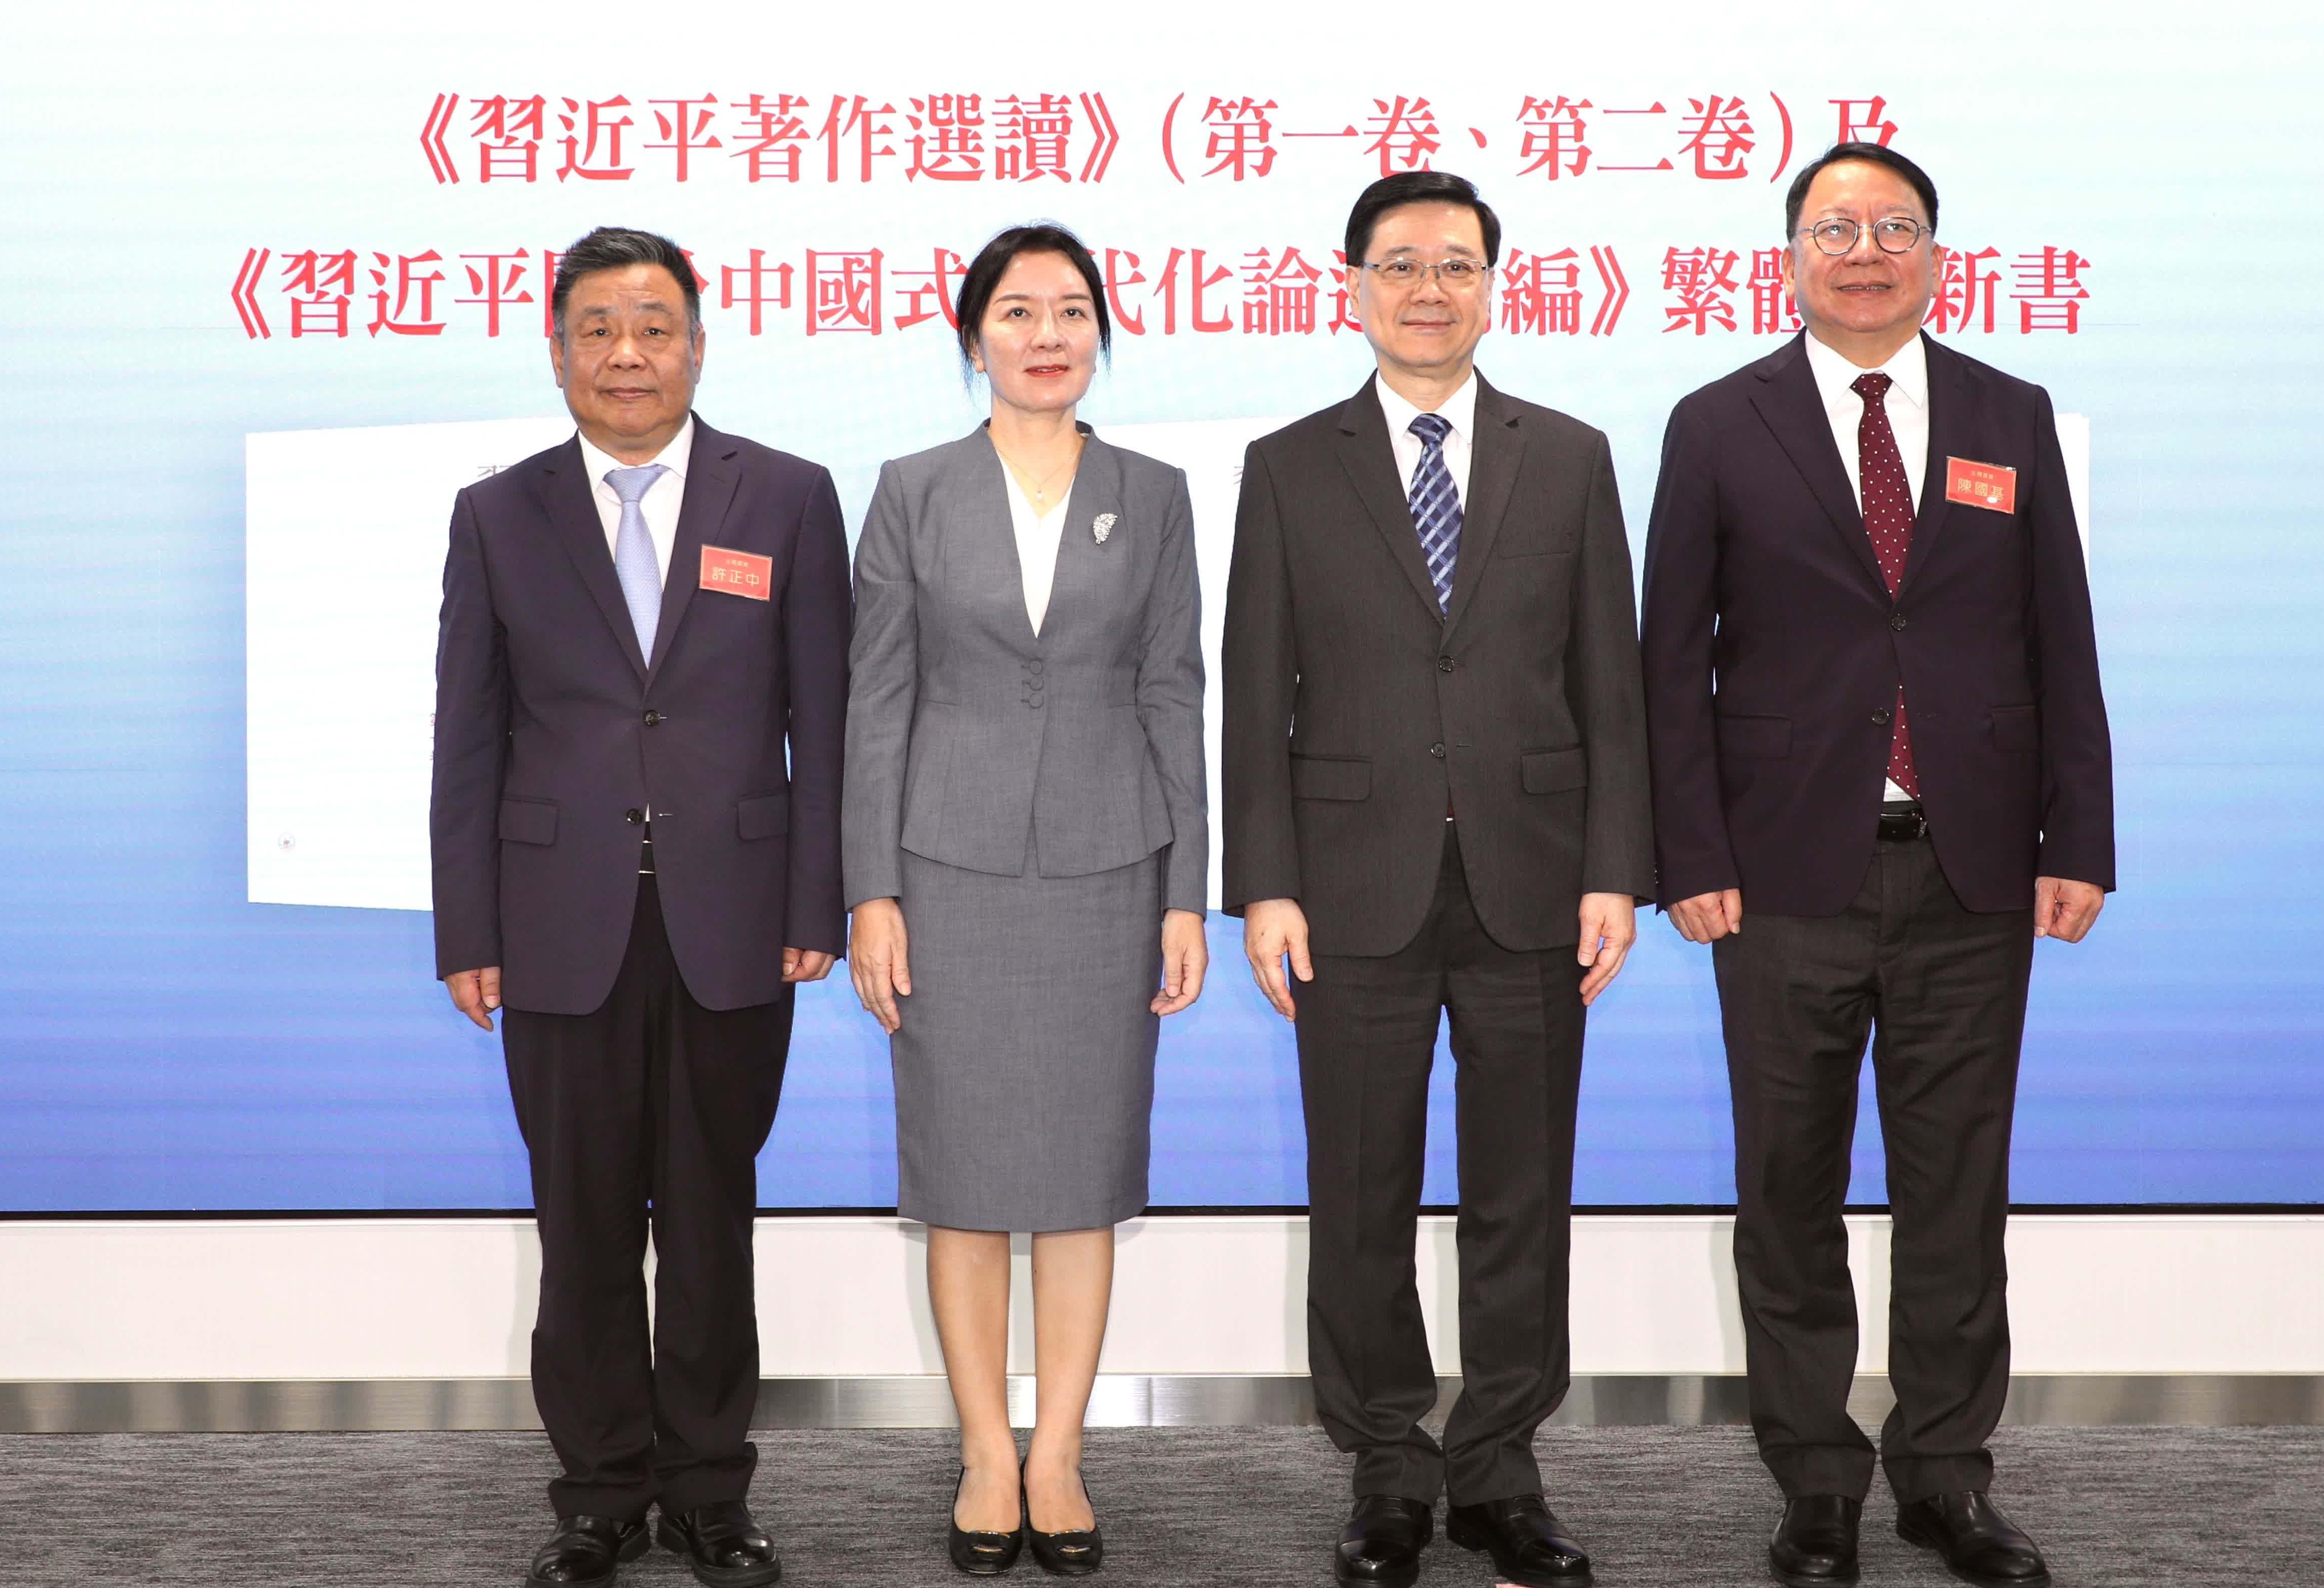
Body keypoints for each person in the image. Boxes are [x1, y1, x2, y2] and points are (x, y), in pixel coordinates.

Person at [1641, 142, 2114, 1588]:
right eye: (1835, 229)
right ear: (1790, 257)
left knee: (1955, 1190)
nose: (1865, 252)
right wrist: (1686, 853)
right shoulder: (1718, 422)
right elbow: (1670, 663)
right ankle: (1814, 1479)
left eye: (1894, 227)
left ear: (1935, 256)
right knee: (1787, 1188)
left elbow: (2061, 632)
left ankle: (1947, 1475)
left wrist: (2079, 836)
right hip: (1780, 871)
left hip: (1974, 867)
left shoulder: (2007, 413)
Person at [1221, 171, 1652, 1588]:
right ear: (1352, 286)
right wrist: (1264, 882)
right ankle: (1389, 1467)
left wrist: (1615, 869)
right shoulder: (1290, 464)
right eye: (1400, 264)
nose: (1428, 289)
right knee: (1361, 1192)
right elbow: (1255, 689)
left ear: (1493, 285)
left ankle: (1503, 1466)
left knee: (1523, 1191)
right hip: (1349, 885)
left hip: (1536, 880)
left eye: (1456, 264)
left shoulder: (1571, 455)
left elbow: (1612, 682)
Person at [430, 225, 849, 1588]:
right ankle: (601, 1494)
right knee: (585, 1223)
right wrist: (468, 927)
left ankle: (712, 1492)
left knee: (715, 1217)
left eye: (654, 326)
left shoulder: (786, 496)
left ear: (698, 346)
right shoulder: (498, 513)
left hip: (737, 918)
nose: (627, 353)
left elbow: (826, 722)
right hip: (558, 924)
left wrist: (820, 898)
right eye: (598, 328)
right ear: (558, 352)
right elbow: (467, 737)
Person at [842, 221, 1208, 1577]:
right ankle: (985, 1451)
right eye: (1016, 310)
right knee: (964, 1176)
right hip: (948, 870)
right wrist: (872, 890)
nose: (1046, 334)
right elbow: (877, 699)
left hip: (1112, 871)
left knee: (1080, 1177)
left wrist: (1187, 893)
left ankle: (1058, 1451)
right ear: (973, 337)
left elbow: (1175, 689)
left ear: (1099, 331)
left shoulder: (1153, 492)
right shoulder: (912, 489)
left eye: (1070, 310)